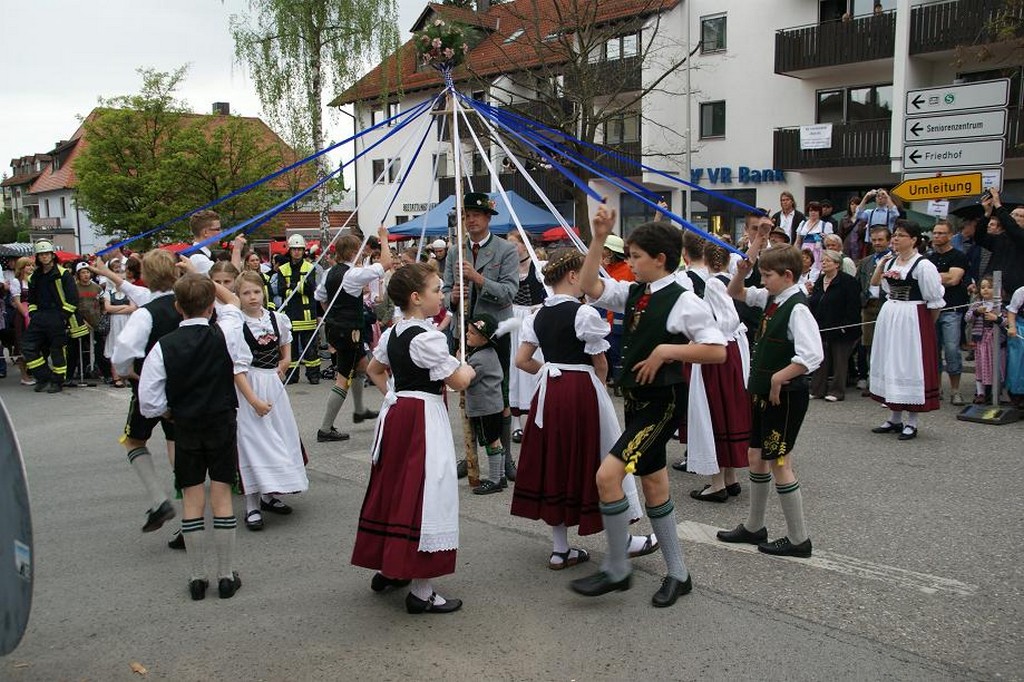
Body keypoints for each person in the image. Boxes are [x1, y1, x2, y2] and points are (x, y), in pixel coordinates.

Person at [571, 207, 727, 608]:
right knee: (654, 485)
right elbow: (589, 284)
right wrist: (598, 236)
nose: (631, 263)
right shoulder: (636, 292)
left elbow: (716, 351)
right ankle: (679, 573)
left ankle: (618, 568)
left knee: (608, 476)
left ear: (660, 259)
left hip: (662, 402)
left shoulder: (684, 300)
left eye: (637, 256)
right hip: (640, 401)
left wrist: (665, 350)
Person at [511, 248, 653, 569]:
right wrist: (598, 387)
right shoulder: (584, 314)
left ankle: (560, 549)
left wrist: (549, 371)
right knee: (602, 457)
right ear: (574, 276)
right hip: (581, 390)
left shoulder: (537, 316)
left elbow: (522, 360)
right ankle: (623, 540)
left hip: (549, 393)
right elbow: (600, 361)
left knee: (555, 462)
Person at [351, 263, 475, 615]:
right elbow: (459, 381)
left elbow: (374, 369)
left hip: (399, 414)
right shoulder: (427, 337)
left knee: (396, 487)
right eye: (437, 289)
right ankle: (422, 590)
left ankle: (389, 565)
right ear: (417, 298)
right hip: (422, 417)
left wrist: (393, 393)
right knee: (425, 492)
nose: (442, 294)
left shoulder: (392, 332)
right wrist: (469, 367)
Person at [138, 273, 250, 600]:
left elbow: (149, 401)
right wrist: (203, 276)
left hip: (185, 424)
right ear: (211, 305)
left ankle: (197, 577)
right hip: (221, 420)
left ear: (177, 307)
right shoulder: (226, 330)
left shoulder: (163, 346)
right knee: (222, 494)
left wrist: (168, 412)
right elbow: (233, 303)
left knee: (191, 498)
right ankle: (226, 575)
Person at [720, 223, 824, 558]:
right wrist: (742, 270)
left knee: (779, 460)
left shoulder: (798, 308)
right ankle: (754, 526)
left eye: (767, 276)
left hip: (785, 395)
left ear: (788, 275)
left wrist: (780, 377)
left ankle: (799, 538)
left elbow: (811, 355)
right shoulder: (774, 297)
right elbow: (735, 293)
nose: (762, 282)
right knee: (756, 456)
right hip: (763, 393)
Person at [442, 192, 519, 480]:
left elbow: (509, 293)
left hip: (495, 333)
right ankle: (470, 453)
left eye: (475, 215)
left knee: (500, 394)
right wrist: (452, 296)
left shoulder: (505, 250)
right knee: (467, 393)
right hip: (463, 331)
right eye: (466, 215)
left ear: (488, 218)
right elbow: (446, 291)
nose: (470, 220)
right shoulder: (454, 251)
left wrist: (478, 279)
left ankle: (506, 458)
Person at [107, 250, 183, 540]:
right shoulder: (183, 305)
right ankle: (189, 520)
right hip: (182, 387)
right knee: (177, 445)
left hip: (150, 388)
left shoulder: (145, 313)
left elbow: (122, 352)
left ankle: (158, 500)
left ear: (147, 277)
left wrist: (128, 372)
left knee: (133, 440)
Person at [233, 271, 309, 531]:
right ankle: (252, 504)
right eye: (245, 293)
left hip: (273, 385)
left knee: (278, 436)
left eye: (256, 291)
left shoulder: (277, 318)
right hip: (249, 386)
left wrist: (286, 360)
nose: (252, 297)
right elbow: (236, 368)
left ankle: (269, 494)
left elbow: (286, 343)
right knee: (253, 443)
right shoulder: (237, 323)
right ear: (238, 296)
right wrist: (252, 400)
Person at [683, 240, 752, 501]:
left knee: (713, 410)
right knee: (728, 408)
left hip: (717, 352)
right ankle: (730, 477)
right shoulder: (732, 280)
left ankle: (717, 483)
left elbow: (725, 320)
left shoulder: (714, 283)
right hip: (732, 351)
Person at [869, 221, 944, 441]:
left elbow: (935, 301)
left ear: (913, 239)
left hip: (913, 317)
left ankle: (912, 421)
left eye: (901, 235)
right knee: (891, 362)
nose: (895, 239)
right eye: (895, 235)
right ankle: (894, 417)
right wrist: (881, 266)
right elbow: (879, 288)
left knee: (909, 365)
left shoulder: (923, 265)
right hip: (891, 314)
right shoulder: (891, 261)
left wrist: (925, 328)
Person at [315, 229, 392, 442]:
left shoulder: (330, 273)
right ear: (353, 253)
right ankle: (325, 428)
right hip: (350, 331)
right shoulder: (352, 273)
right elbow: (385, 264)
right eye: (359, 251)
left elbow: (321, 298)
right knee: (343, 378)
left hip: (336, 328)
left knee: (363, 366)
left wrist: (336, 314)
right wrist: (384, 238)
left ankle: (360, 410)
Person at [464, 313, 515, 494]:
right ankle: (499, 476)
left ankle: (494, 480)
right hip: (493, 405)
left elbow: (468, 379)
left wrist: (459, 364)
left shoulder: (480, 359)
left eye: (472, 333)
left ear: (484, 339)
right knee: (496, 441)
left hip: (485, 407)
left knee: (491, 442)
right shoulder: (487, 353)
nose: (467, 335)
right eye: (468, 331)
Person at [506, 229, 547, 442]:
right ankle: (516, 421)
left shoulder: (539, 268)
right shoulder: (507, 268)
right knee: (514, 367)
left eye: (515, 244)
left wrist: (540, 308)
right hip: (513, 318)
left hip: (534, 318)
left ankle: (537, 415)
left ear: (525, 245)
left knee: (533, 364)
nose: (512, 249)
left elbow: (551, 292)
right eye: (509, 245)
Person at [22, 240, 78, 394]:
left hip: (57, 317)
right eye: (41, 254)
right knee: (27, 347)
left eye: (47, 254)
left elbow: (72, 299)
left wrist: (63, 316)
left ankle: (57, 381)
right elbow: (31, 300)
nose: (45, 257)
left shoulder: (62, 274)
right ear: (37, 257)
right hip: (40, 317)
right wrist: (33, 314)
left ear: (52, 255)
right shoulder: (34, 277)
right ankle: (44, 376)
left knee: (57, 350)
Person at [808, 249, 862, 401]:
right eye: (823, 261)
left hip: (841, 327)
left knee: (839, 360)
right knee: (821, 359)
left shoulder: (848, 282)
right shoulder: (820, 280)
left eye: (828, 261)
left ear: (837, 264)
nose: (824, 263)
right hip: (822, 325)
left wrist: (846, 326)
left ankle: (836, 391)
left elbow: (853, 306)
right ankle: (817, 389)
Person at [927, 219, 969, 406]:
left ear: (950, 235)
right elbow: (924, 280)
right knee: (933, 351)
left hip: (952, 309)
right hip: (932, 310)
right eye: (935, 233)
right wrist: (941, 276)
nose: (937, 236)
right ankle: (937, 389)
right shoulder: (928, 258)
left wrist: (933, 277)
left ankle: (955, 390)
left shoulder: (958, 256)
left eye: (941, 233)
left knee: (952, 350)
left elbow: (953, 279)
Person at [272, 234, 321, 384]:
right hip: (291, 314)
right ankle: (292, 376)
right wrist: (298, 287)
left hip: (307, 315)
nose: (297, 252)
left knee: (311, 348)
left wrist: (292, 287)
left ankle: (313, 375)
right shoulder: (283, 269)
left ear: (303, 250)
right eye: (294, 249)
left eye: (300, 249)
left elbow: (310, 288)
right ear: (290, 250)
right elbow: (281, 290)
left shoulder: (309, 267)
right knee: (291, 349)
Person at [854, 226, 891, 395]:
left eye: (880, 240)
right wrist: (862, 298)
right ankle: (872, 380)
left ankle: (887, 382)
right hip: (868, 306)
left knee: (887, 345)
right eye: (874, 240)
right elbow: (857, 283)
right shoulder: (866, 261)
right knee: (868, 344)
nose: (877, 243)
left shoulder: (894, 260)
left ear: (888, 241)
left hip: (886, 306)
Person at [965, 276, 1007, 404]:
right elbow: (967, 318)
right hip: (981, 340)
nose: (985, 290)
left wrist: (996, 318)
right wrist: (976, 312)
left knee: (997, 366)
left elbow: (1007, 322)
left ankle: (996, 392)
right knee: (981, 366)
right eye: (983, 287)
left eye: (989, 287)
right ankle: (980, 392)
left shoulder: (1001, 305)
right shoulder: (977, 304)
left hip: (996, 341)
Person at [599, 234, 634, 389]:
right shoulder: (602, 270)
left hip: (619, 322)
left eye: (604, 250)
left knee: (618, 353)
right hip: (603, 320)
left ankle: (620, 381)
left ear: (611, 252)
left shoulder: (627, 270)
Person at [980, 189, 1024, 302]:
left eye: (1019, 215)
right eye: (1013, 214)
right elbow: (979, 238)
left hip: (1015, 293)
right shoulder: (1001, 237)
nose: (1014, 217)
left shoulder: (1020, 236)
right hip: (993, 288)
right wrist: (987, 214)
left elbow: (1013, 228)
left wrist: (998, 205)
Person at [101, 260, 136, 388]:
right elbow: (108, 308)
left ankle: (127, 375)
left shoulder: (129, 292)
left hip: (127, 322)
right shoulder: (109, 293)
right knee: (114, 348)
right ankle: (116, 377)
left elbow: (132, 308)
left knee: (128, 348)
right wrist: (123, 307)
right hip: (114, 324)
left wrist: (117, 308)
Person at [67, 262, 103, 383]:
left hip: (96, 322)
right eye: (83, 272)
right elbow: (72, 305)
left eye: (87, 272)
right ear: (78, 274)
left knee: (99, 348)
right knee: (77, 349)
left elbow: (102, 303)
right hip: (80, 322)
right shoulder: (74, 288)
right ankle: (72, 375)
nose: (86, 275)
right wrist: (81, 320)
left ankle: (103, 372)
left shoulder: (97, 287)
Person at [9, 257, 35, 385]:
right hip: (22, 315)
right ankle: (24, 375)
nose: (31, 267)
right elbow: (17, 301)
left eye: (32, 265)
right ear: (22, 267)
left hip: (34, 313)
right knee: (22, 343)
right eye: (28, 265)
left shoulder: (33, 280)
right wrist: (25, 314)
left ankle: (32, 371)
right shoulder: (16, 282)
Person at [794, 201, 833, 271]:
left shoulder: (825, 225)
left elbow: (830, 244)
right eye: (811, 210)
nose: (813, 212)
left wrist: (825, 238)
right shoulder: (802, 224)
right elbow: (798, 242)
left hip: (818, 253)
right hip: (804, 253)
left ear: (819, 212)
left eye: (816, 210)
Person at [1005, 285, 1024, 406]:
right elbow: (1012, 311)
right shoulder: (1021, 292)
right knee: (1017, 360)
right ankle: (1017, 394)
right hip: (1021, 326)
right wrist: (1012, 327)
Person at [188, 209, 221, 276]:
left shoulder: (199, 255)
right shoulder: (200, 260)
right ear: (205, 232)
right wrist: (237, 251)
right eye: (217, 229)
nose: (221, 232)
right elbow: (226, 285)